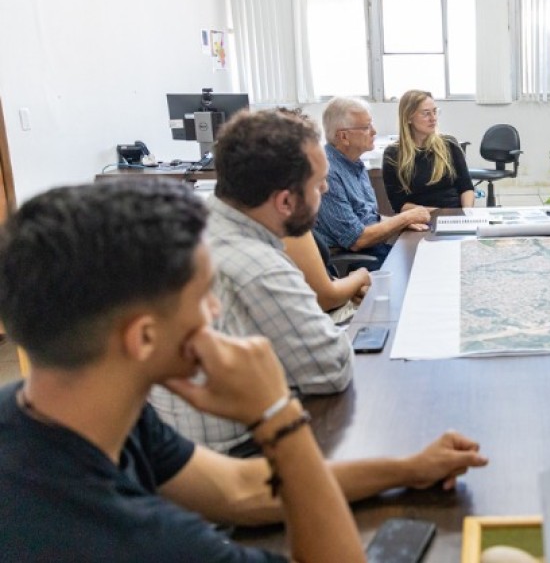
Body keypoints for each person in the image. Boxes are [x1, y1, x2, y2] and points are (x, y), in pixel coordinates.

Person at [0, 178, 365, 561]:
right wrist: (279, 416)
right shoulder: (145, 542)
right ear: (144, 338)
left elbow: (239, 488)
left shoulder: (56, 408)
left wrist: (404, 469)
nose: (215, 310)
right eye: (205, 295)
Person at [149, 114, 488, 493]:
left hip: (187, 450)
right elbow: (331, 369)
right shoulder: (259, 266)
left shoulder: (198, 224)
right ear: (285, 202)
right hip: (239, 456)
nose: (326, 189)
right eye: (319, 183)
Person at [314, 97, 431, 270]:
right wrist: (405, 217)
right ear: (344, 136)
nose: (374, 131)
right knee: (420, 268)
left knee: (427, 256)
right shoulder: (329, 173)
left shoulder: (355, 162)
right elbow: (356, 239)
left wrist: (402, 223)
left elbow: (369, 218)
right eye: (366, 127)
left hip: (372, 248)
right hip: (352, 259)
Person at [382, 89, 475, 212]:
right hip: (419, 217)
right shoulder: (393, 154)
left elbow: (466, 188)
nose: (433, 118)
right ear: (408, 117)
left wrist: (467, 213)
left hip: (454, 214)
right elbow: (399, 204)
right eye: (426, 113)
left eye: (435, 112)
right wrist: (438, 214)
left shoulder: (449, 144)